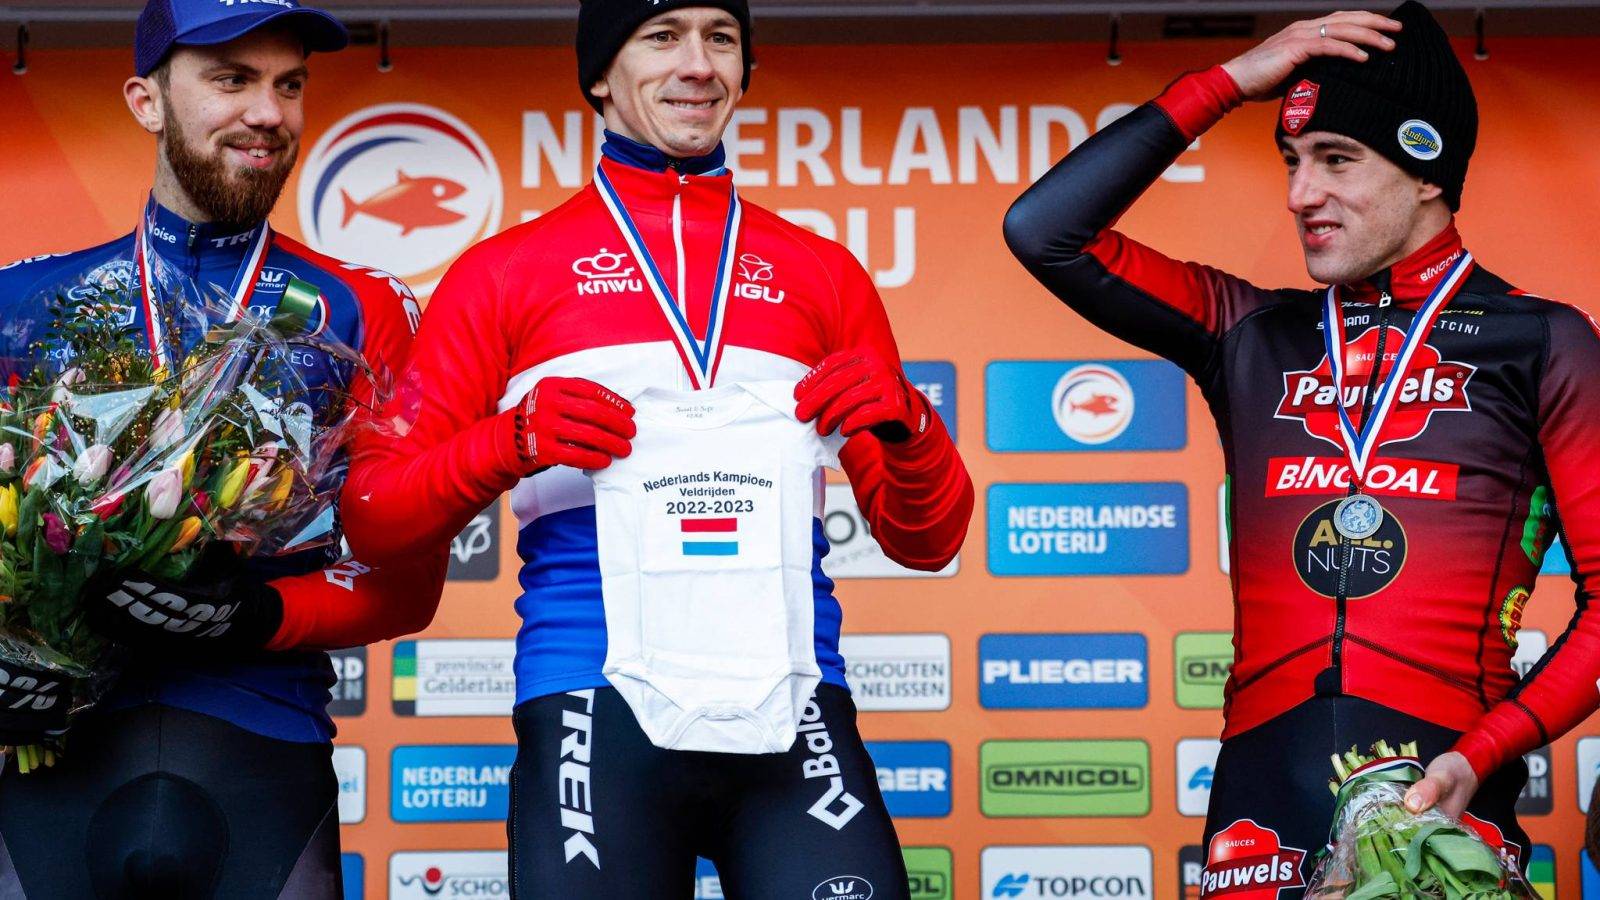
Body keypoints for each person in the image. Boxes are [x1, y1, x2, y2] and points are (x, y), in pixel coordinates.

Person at [338, 1, 973, 896]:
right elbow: (374, 516)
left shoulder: (821, 272)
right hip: (593, 700)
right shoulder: (505, 271)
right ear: (599, 73)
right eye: (663, 36)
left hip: (793, 703)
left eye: (722, 38)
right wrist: (506, 443)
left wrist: (911, 431)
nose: (699, 65)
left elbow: (926, 537)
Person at [1006, 1, 1599, 891]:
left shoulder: (1543, 342)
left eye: (1336, 160)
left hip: (1443, 801)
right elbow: (1044, 232)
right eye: (1292, 161)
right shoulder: (1249, 331)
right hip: (1256, 807)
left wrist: (1485, 752)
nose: (1299, 195)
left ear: (1426, 167)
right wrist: (1230, 82)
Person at [0, 1, 446, 896]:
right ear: (147, 100)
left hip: (262, 764)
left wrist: (252, 617)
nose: (269, 113)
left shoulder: (359, 311)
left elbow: (408, 582)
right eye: (232, 80)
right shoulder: (21, 303)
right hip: (50, 767)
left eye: (289, 85)